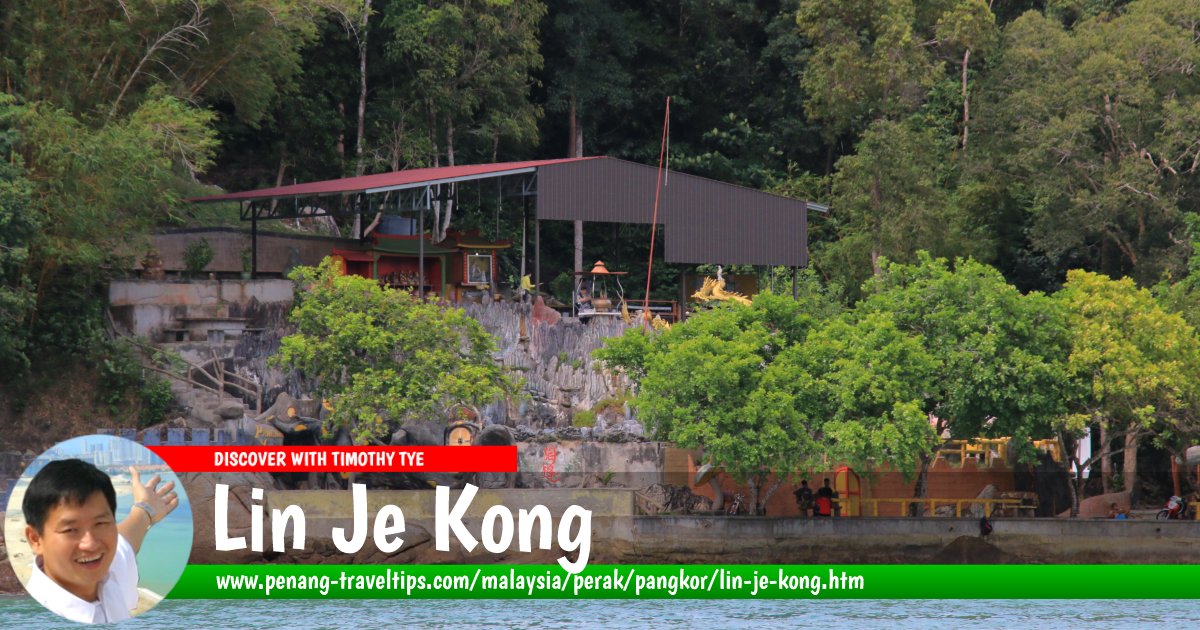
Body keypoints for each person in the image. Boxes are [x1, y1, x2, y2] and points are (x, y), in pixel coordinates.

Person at [22, 459, 179, 624]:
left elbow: (126, 541)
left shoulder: (107, 571)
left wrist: (146, 509)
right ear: (35, 539)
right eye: (70, 530)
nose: (91, 544)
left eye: (100, 523)